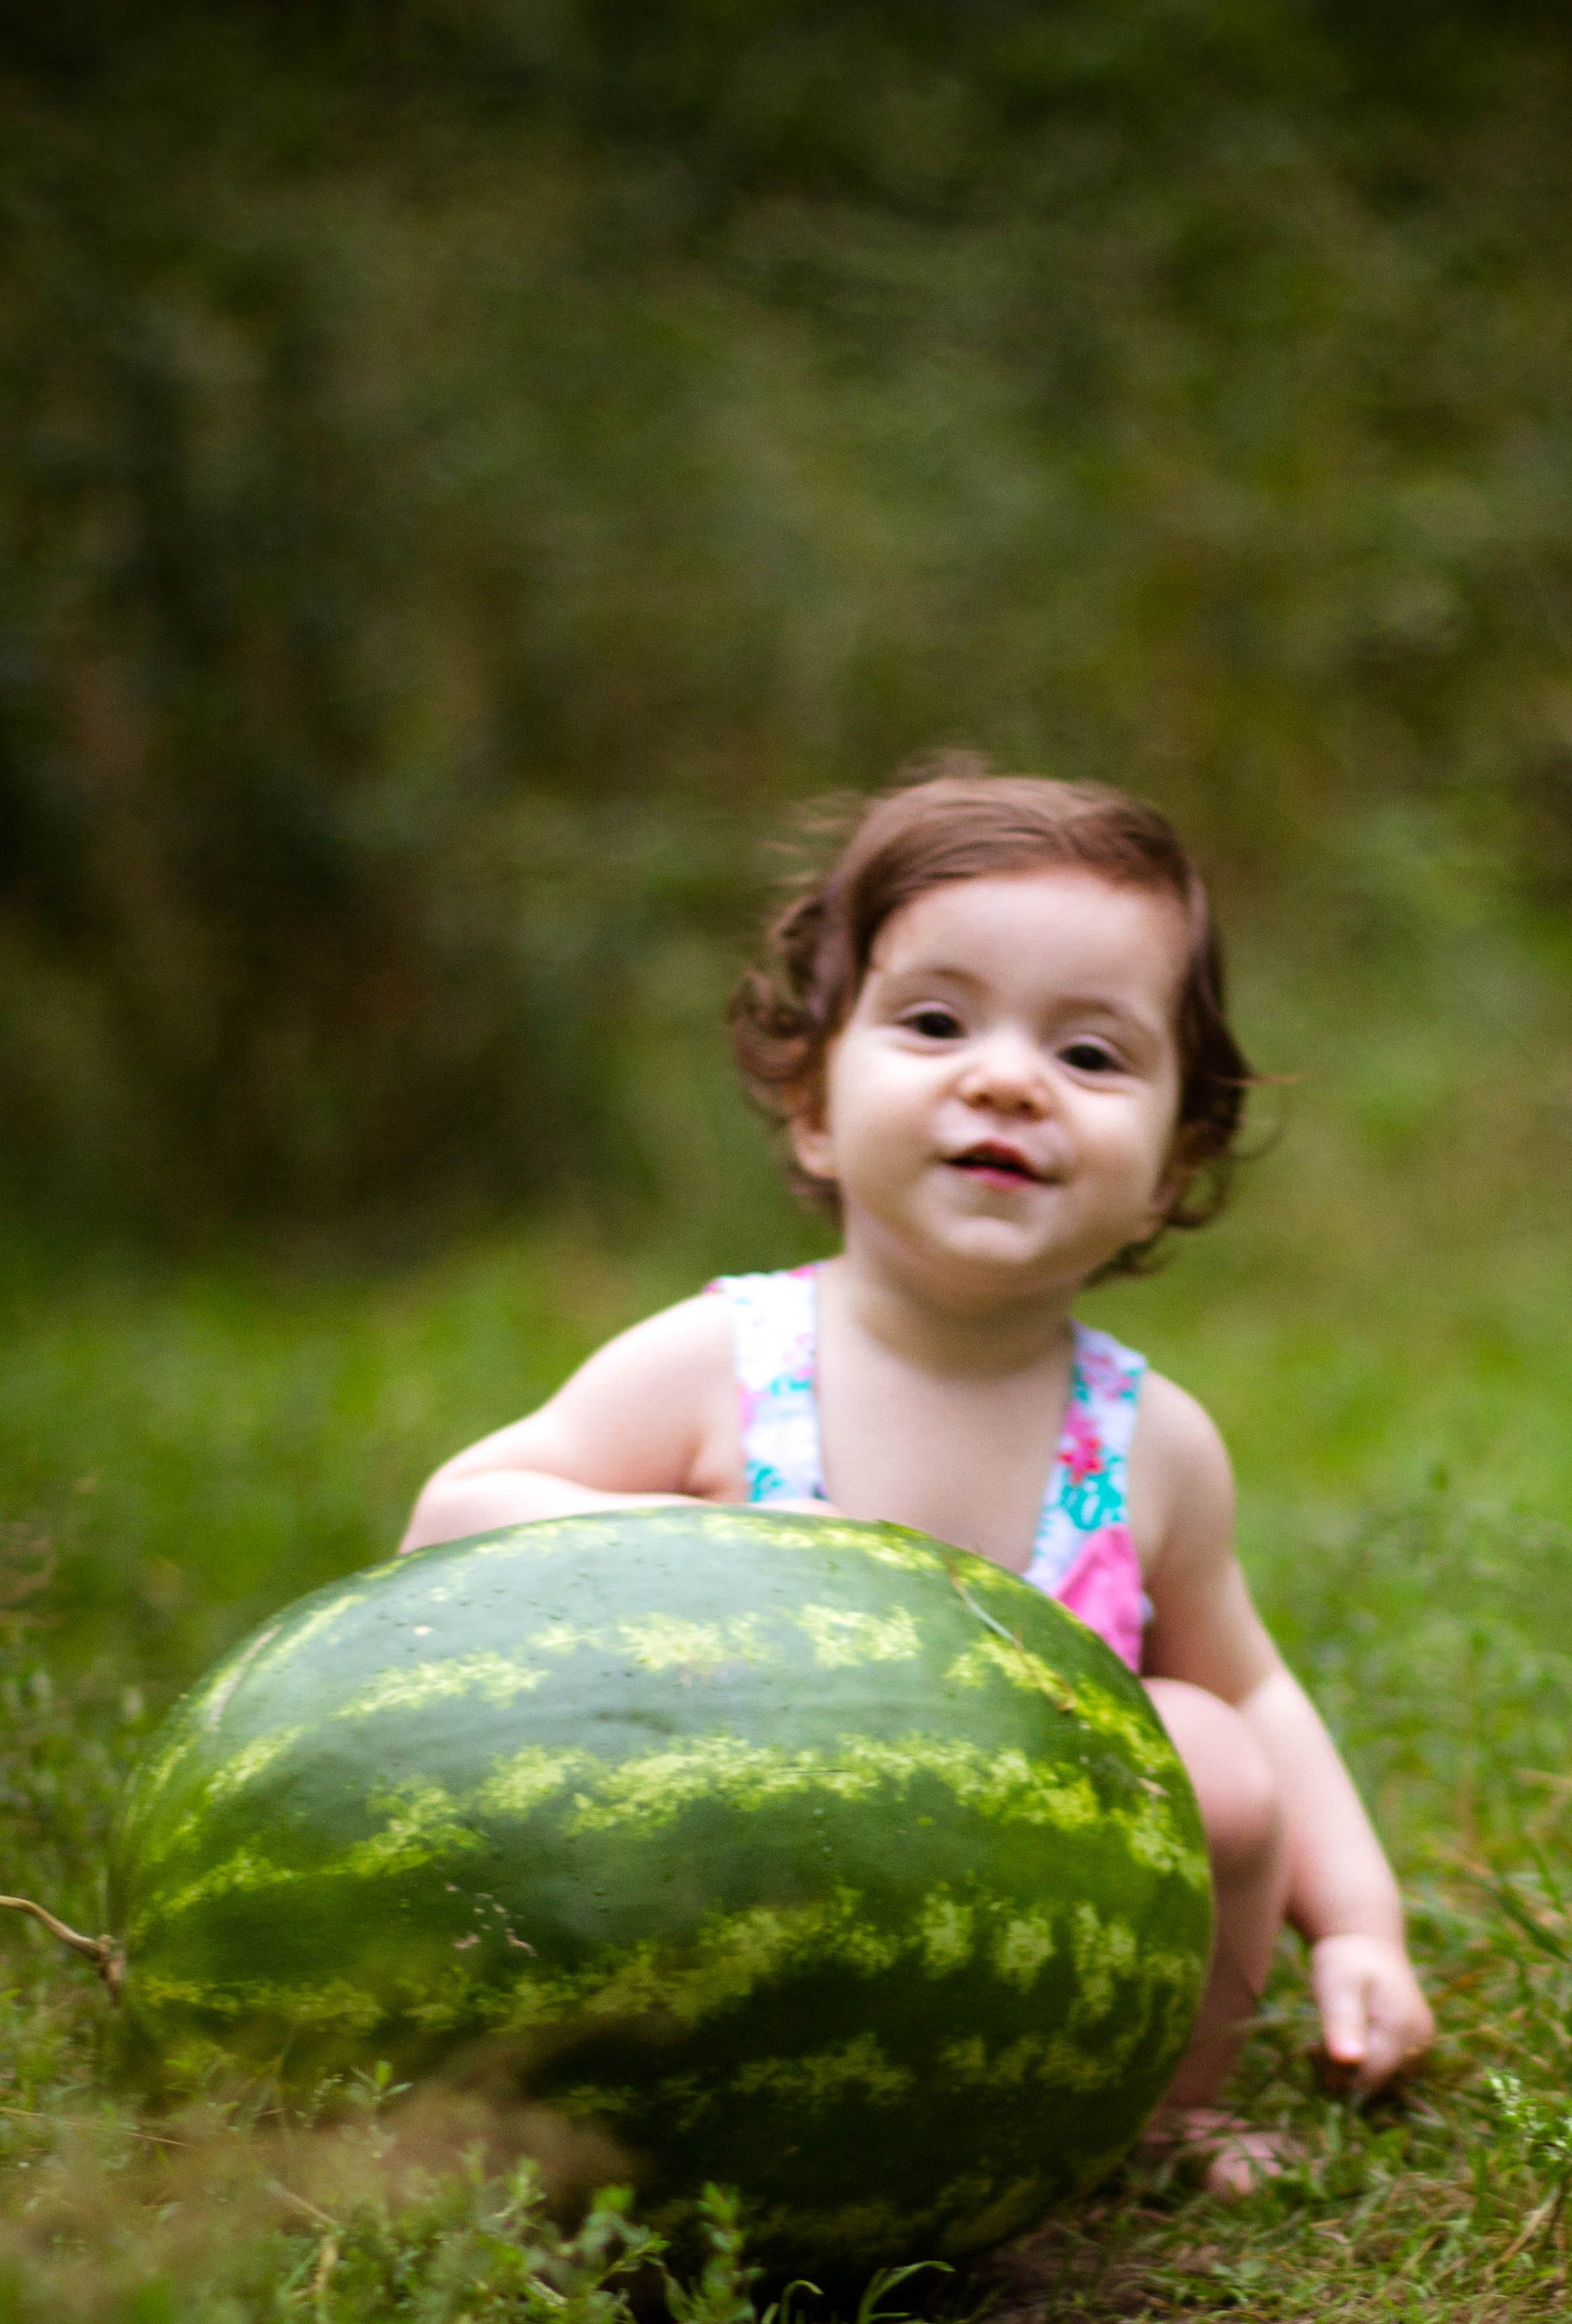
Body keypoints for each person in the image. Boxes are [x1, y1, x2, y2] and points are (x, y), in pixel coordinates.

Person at [403, 769, 1433, 2191]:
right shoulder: (727, 1361)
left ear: (1173, 1162)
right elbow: (454, 1517)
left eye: (1090, 1053)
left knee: (1208, 1749)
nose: (1007, 1080)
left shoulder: (1146, 1442)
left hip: (1030, 1938)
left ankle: (1154, 2111)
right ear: (814, 1104)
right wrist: (720, 1553)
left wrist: (1363, 1927)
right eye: (938, 1024)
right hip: (737, 1892)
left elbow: (1255, 1696)